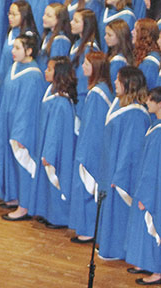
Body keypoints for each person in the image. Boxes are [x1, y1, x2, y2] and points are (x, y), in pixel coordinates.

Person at [124, 86, 161, 285]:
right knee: (143, 227)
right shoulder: (160, 127)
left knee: (155, 226)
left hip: (154, 192)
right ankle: (143, 261)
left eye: (150, 99)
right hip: (150, 188)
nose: (146, 102)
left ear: (160, 104)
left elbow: (154, 169)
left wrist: (146, 197)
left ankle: (157, 272)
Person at [97, 67, 151, 261]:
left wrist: (119, 177)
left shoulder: (136, 114)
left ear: (130, 84)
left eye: (119, 80)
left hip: (121, 173)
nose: (115, 82)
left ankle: (118, 249)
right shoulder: (119, 105)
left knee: (119, 211)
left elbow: (132, 150)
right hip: (111, 165)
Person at [0, 33, 46, 221]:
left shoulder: (33, 75)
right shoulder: (14, 67)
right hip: (8, 123)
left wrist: (20, 132)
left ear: (29, 51)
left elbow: (28, 108)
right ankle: (15, 196)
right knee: (11, 164)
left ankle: (24, 206)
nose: (13, 51)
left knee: (23, 165)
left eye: (17, 48)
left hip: (22, 128)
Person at [68, 52, 112, 243]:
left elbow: (94, 127)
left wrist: (84, 153)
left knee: (88, 186)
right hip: (90, 145)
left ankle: (88, 230)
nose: (83, 67)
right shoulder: (99, 89)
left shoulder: (97, 94)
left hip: (91, 149)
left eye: (87, 64)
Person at [32, 56, 78, 229]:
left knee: (56, 179)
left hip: (56, 149)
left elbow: (56, 132)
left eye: (50, 69)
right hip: (46, 144)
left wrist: (49, 153)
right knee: (46, 184)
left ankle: (59, 217)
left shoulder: (60, 102)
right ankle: (47, 212)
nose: (46, 71)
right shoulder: (51, 92)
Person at [69, 9, 102, 102]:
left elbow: (83, 78)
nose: (71, 23)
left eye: (76, 21)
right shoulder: (77, 43)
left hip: (81, 95)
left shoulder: (90, 48)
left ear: (86, 25)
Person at [38, 3, 71, 70]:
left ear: (59, 19)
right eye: (44, 14)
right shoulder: (48, 35)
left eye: (49, 16)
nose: (43, 18)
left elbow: (56, 68)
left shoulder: (60, 41)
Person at [133, 19, 161, 88]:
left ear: (144, 35)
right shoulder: (148, 55)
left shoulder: (149, 63)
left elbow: (147, 88)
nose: (132, 32)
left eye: (136, 30)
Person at [105, 19, 135, 85]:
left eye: (109, 35)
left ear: (120, 36)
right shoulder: (117, 55)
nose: (105, 37)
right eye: (106, 34)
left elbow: (112, 85)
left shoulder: (118, 61)